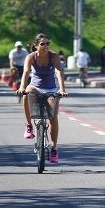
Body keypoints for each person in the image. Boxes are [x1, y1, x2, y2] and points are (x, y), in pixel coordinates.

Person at [18, 34, 68, 164]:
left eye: (47, 43)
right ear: (36, 46)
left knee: (53, 116)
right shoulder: (31, 57)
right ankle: (29, 126)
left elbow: (59, 72)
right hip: (35, 86)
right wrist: (22, 87)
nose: (45, 46)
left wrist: (62, 89)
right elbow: (26, 72)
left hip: (51, 88)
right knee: (26, 95)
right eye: (42, 44)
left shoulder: (54, 56)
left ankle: (54, 148)